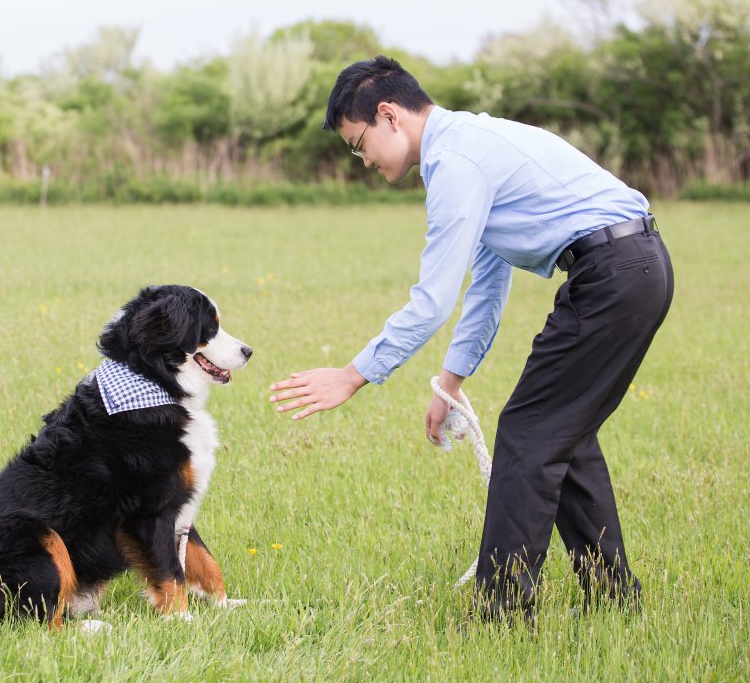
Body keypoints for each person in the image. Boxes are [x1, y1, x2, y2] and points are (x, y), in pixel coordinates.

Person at [268, 55, 673, 621]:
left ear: (389, 116)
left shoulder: (455, 161)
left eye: (359, 145)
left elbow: (432, 300)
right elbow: (487, 283)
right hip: (629, 268)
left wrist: (352, 375)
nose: (362, 162)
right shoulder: (470, 147)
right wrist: (449, 384)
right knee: (561, 434)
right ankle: (613, 595)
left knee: (530, 434)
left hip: (614, 273)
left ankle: (500, 612)